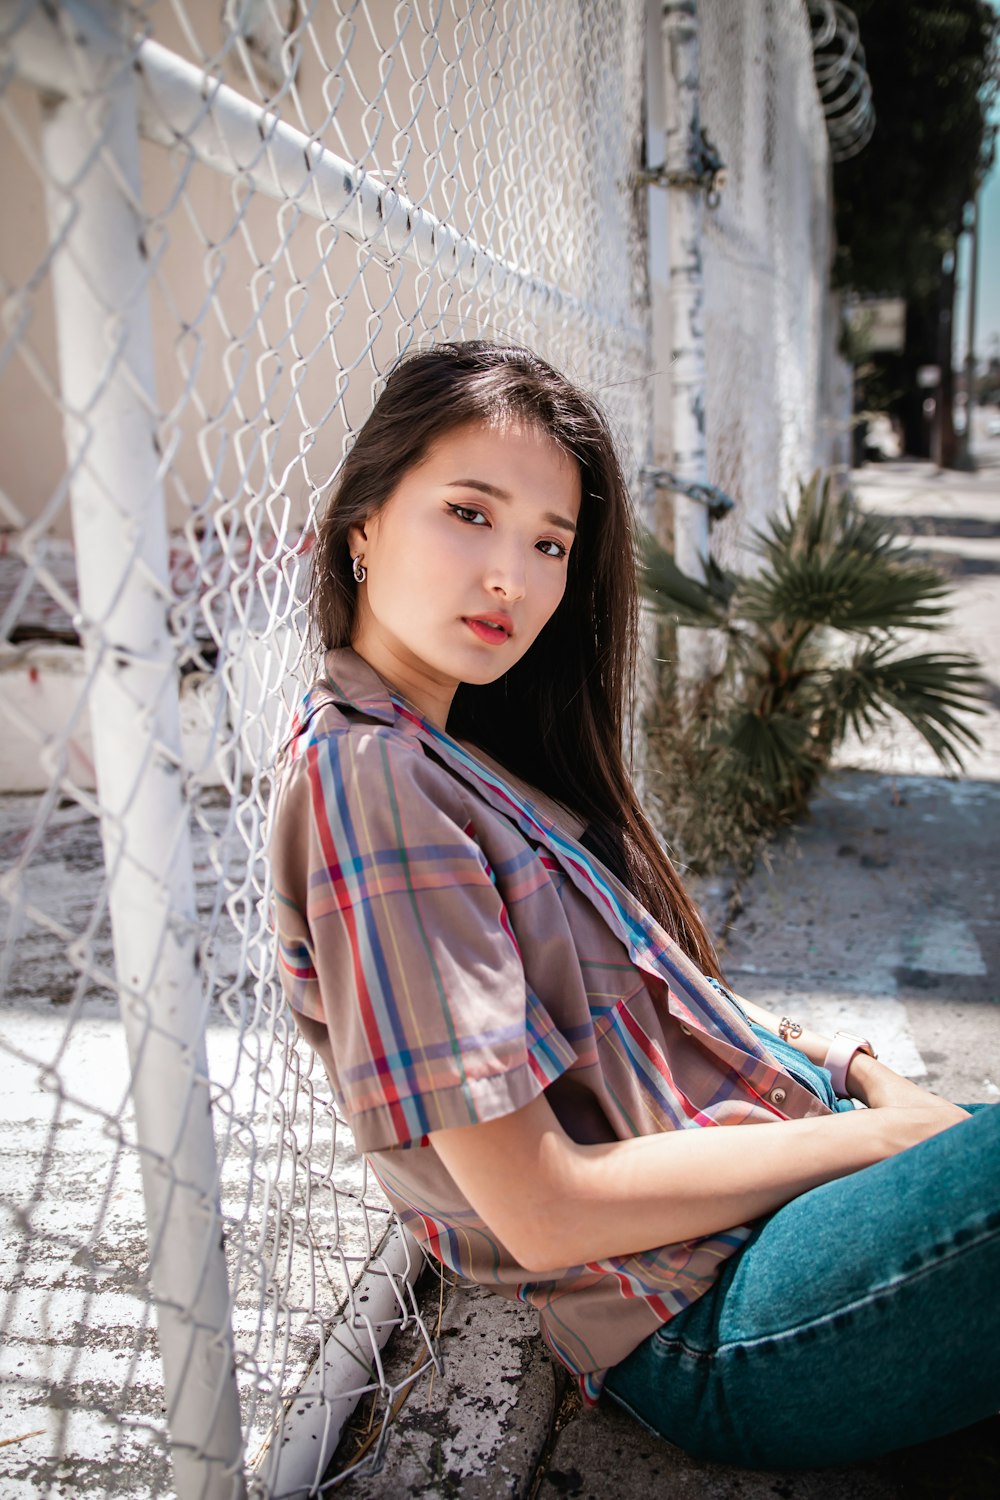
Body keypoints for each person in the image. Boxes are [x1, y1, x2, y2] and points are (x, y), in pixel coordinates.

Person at [269, 340, 999, 1471]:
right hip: (711, 1313)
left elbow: (650, 1029)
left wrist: (855, 1077)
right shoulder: (371, 784)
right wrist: (882, 1138)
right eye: (469, 513)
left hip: (774, 1213)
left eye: (549, 543)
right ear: (361, 523)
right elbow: (544, 1214)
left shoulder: (461, 757)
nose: (511, 575)